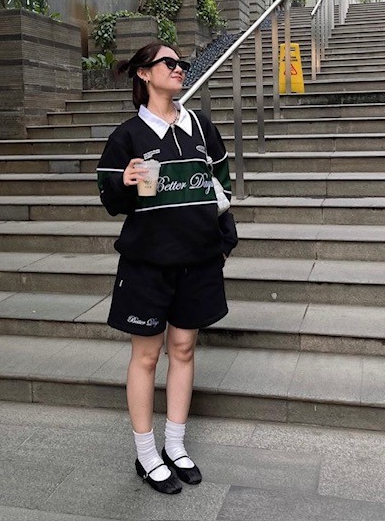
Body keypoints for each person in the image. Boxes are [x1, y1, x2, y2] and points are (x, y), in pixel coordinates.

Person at [96, 42, 238, 495]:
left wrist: (223, 241)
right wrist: (124, 182)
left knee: (183, 350)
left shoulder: (201, 126)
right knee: (147, 355)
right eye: (169, 64)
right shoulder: (127, 137)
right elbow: (109, 200)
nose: (180, 70)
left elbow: (220, 188)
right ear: (144, 74)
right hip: (147, 264)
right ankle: (146, 453)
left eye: (182, 65)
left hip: (197, 260)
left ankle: (175, 445)